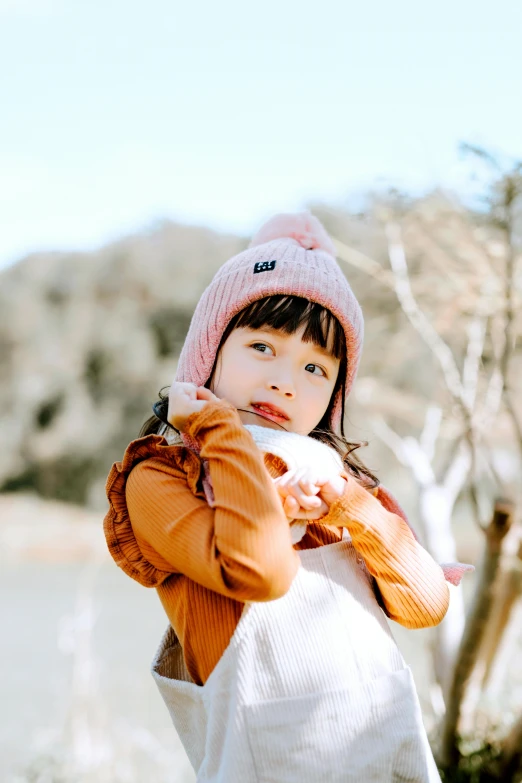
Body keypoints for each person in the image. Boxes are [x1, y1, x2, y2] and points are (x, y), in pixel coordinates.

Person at [104, 212, 472, 782]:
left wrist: (348, 504)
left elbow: (425, 606)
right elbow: (261, 573)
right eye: (261, 346)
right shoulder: (162, 478)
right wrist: (217, 428)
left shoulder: (337, 484)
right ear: (209, 350)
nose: (285, 381)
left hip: (390, 763)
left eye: (314, 368)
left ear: (333, 396)